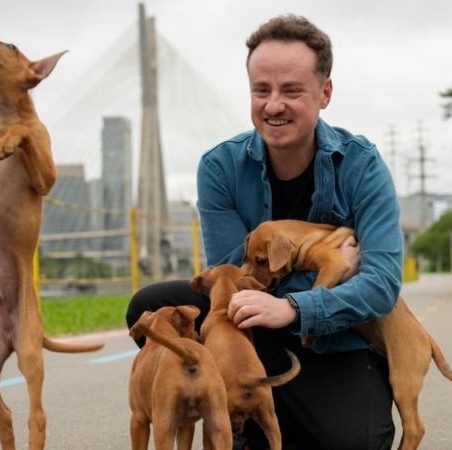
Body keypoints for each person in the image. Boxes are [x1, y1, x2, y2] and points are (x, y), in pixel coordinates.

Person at [125, 14, 403, 450]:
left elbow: (383, 285)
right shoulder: (220, 167)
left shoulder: (361, 165)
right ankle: (221, 407)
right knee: (152, 304)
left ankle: (268, 417)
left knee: (352, 442)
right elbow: (230, 277)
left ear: (324, 93)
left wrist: (296, 307)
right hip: (249, 333)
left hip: (335, 338)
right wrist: (335, 270)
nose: (274, 105)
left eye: (292, 90)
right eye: (262, 90)